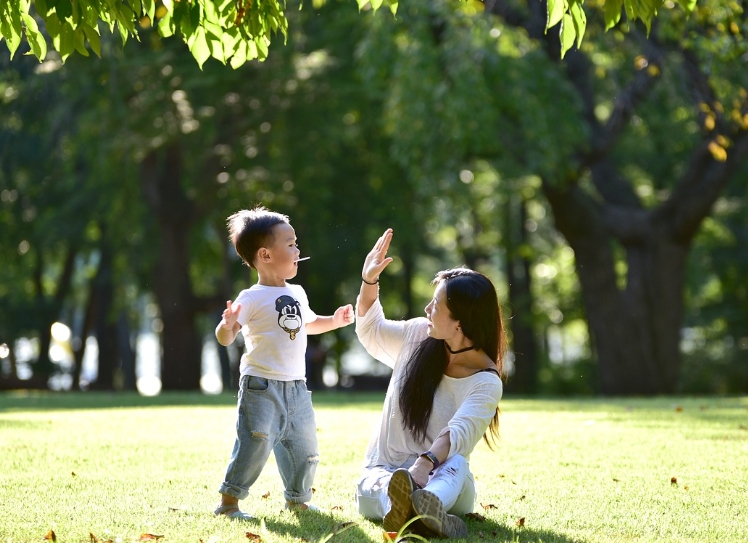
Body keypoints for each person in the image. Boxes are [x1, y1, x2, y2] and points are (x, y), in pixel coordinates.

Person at [354, 228, 506, 538]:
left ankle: (428, 504)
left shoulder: (486, 381)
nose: (427, 310)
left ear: (459, 322)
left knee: (457, 466)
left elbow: (458, 432)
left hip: (442, 477)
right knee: (383, 484)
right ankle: (412, 510)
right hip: (386, 472)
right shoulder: (417, 335)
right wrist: (369, 282)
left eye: (436, 306)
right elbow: (372, 331)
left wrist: (424, 466)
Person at [213, 206, 355, 520]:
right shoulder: (250, 298)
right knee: (255, 444)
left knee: (304, 445)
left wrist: (336, 320)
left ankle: (298, 499)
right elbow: (226, 337)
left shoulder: (298, 292)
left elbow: (310, 323)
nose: (297, 249)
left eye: (295, 243)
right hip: (261, 386)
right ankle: (229, 503)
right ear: (265, 255)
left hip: (296, 386)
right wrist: (227, 324)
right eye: (290, 244)